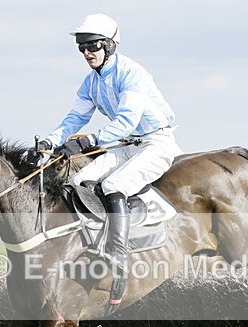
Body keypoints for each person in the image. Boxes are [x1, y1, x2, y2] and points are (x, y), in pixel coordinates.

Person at [29, 13, 182, 272]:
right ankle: (95, 242)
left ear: (110, 45)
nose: (87, 52)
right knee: (77, 182)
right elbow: (74, 119)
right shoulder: (90, 82)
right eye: (82, 47)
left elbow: (127, 120)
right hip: (127, 145)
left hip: (156, 143)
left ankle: (119, 252)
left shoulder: (132, 73)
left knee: (113, 184)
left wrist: (89, 141)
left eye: (93, 45)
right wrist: (48, 142)